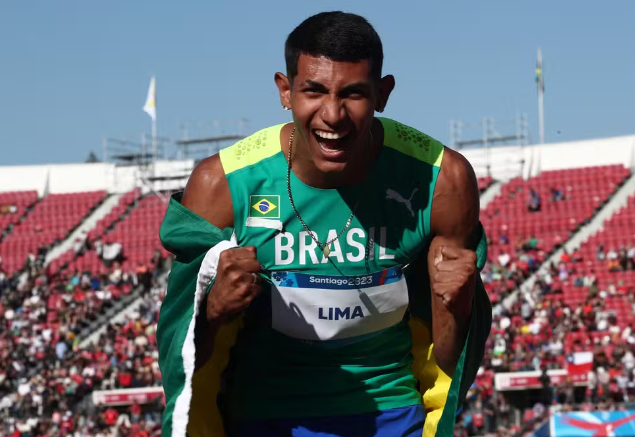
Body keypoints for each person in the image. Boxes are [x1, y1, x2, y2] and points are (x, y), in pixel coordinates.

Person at [157, 11, 491, 437]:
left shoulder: (440, 180)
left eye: (353, 94)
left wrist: (457, 305)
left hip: (392, 417)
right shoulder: (221, 185)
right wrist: (211, 312)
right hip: (264, 419)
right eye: (313, 91)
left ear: (383, 93)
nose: (332, 115)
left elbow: (448, 363)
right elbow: (185, 366)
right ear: (285, 90)